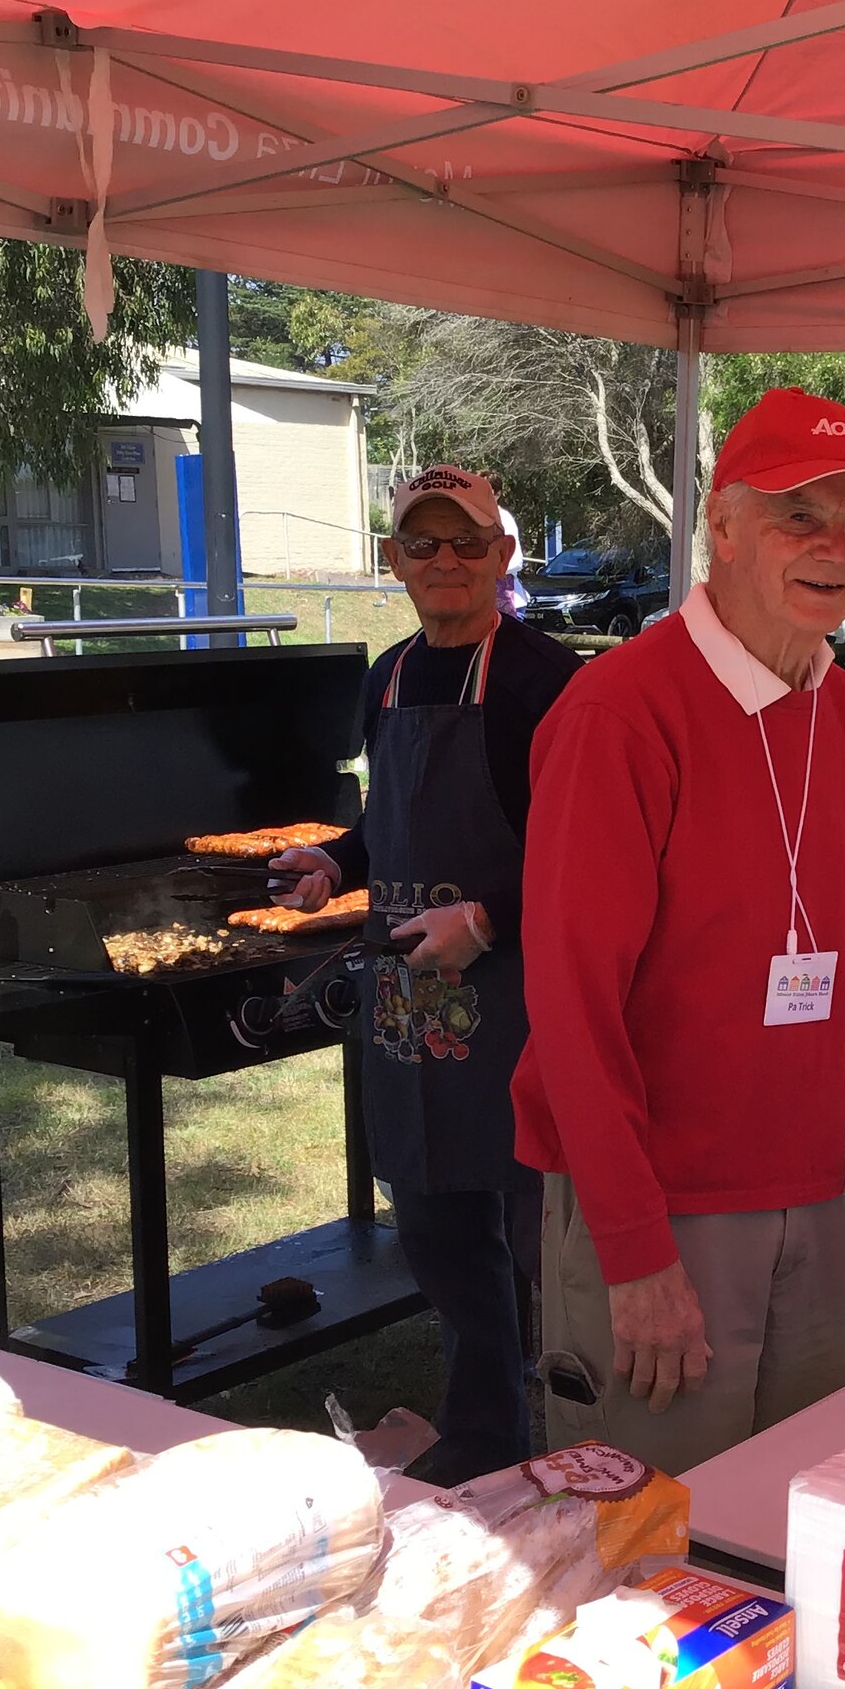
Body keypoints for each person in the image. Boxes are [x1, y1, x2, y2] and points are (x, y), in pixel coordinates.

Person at [514, 387, 845, 1475]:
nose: (834, 548)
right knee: (646, 1542)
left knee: (786, 1511)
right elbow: (570, 1009)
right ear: (725, 526)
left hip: (808, 1194)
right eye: (801, 515)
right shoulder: (620, 715)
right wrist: (632, 1247)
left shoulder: (839, 713)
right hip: (663, 1207)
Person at [272, 464, 581, 1486]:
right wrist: (338, 863)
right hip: (411, 1007)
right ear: (394, 561)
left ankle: (587, 1445)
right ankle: (486, 1435)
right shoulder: (389, 675)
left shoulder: (550, 681)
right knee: (442, 1237)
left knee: (547, 1243)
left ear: (502, 556)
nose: (444, 561)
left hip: (527, 1002)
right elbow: (386, 822)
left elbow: (596, 852)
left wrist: (489, 918)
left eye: (466, 542)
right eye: (422, 543)